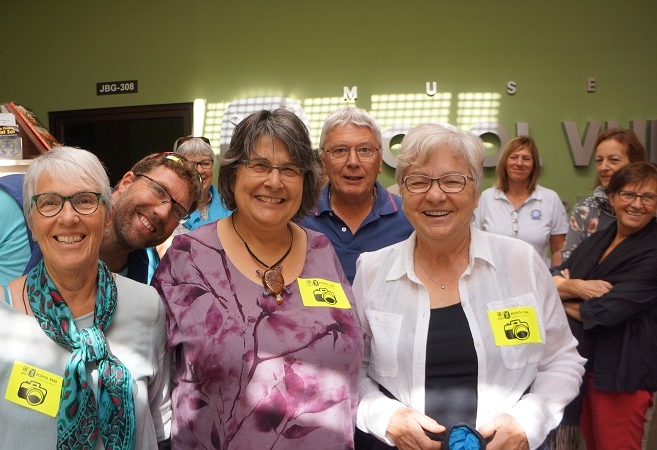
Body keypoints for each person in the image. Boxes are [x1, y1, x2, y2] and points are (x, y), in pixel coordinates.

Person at [0, 148, 200, 448]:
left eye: (178, 210)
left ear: (105, 212)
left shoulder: (141, 282)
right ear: (126, 182)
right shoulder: (12, 204)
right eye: (158, 190)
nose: (162, 211)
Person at [354, 123, 585, 450]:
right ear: (402, 194)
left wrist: (527, 421)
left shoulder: (521, 263)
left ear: (476, 194)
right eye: (418, 181)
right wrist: (384, 416)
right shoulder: (373, 270)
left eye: (453, 181)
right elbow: (353, 368)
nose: (435, 195)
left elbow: (561, 360)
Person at [152, 108, 364, 449]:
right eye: (260, 165)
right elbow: (155, 384)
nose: (274, 182)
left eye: (289, 170)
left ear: (305, 181)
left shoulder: (322, 250)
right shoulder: (188, 257)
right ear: (233, 173)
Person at [553, 162, 657, 450]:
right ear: (612, 198)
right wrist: (576, 288)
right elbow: (555, 275)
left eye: (648, 197)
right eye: (628, 194)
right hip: (588, 365)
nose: (637, 204)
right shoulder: (600, 238)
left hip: (623, 373)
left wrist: (563, 298)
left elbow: (606, 312)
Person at [299, 106, 413, 284]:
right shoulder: (299, 218)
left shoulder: (410, 218)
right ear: (323, 162)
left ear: (380, 160)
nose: (353, 162)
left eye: (365, 150)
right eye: (340, 150)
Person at [474, 136, 568, 267]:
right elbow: (475, 244)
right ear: (505, 162)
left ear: (534, 164)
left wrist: (556, 276)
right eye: (514, 157)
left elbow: (558, 250)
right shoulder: (487, 198)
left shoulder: (550, 199)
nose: (519, 163)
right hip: (494, 277)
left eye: (526, 158)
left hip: (537, 278)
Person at [561, 128, 647, 260]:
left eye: (614, 160)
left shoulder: (650, 208)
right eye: (599, 160)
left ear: (634, 164)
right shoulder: (586, 209)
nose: (604, 167)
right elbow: (569, 262)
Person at [155, 136, 231, 258]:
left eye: (205, 163)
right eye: (192, 164)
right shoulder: (167, 209)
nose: (200, 170)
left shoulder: (230, 207)